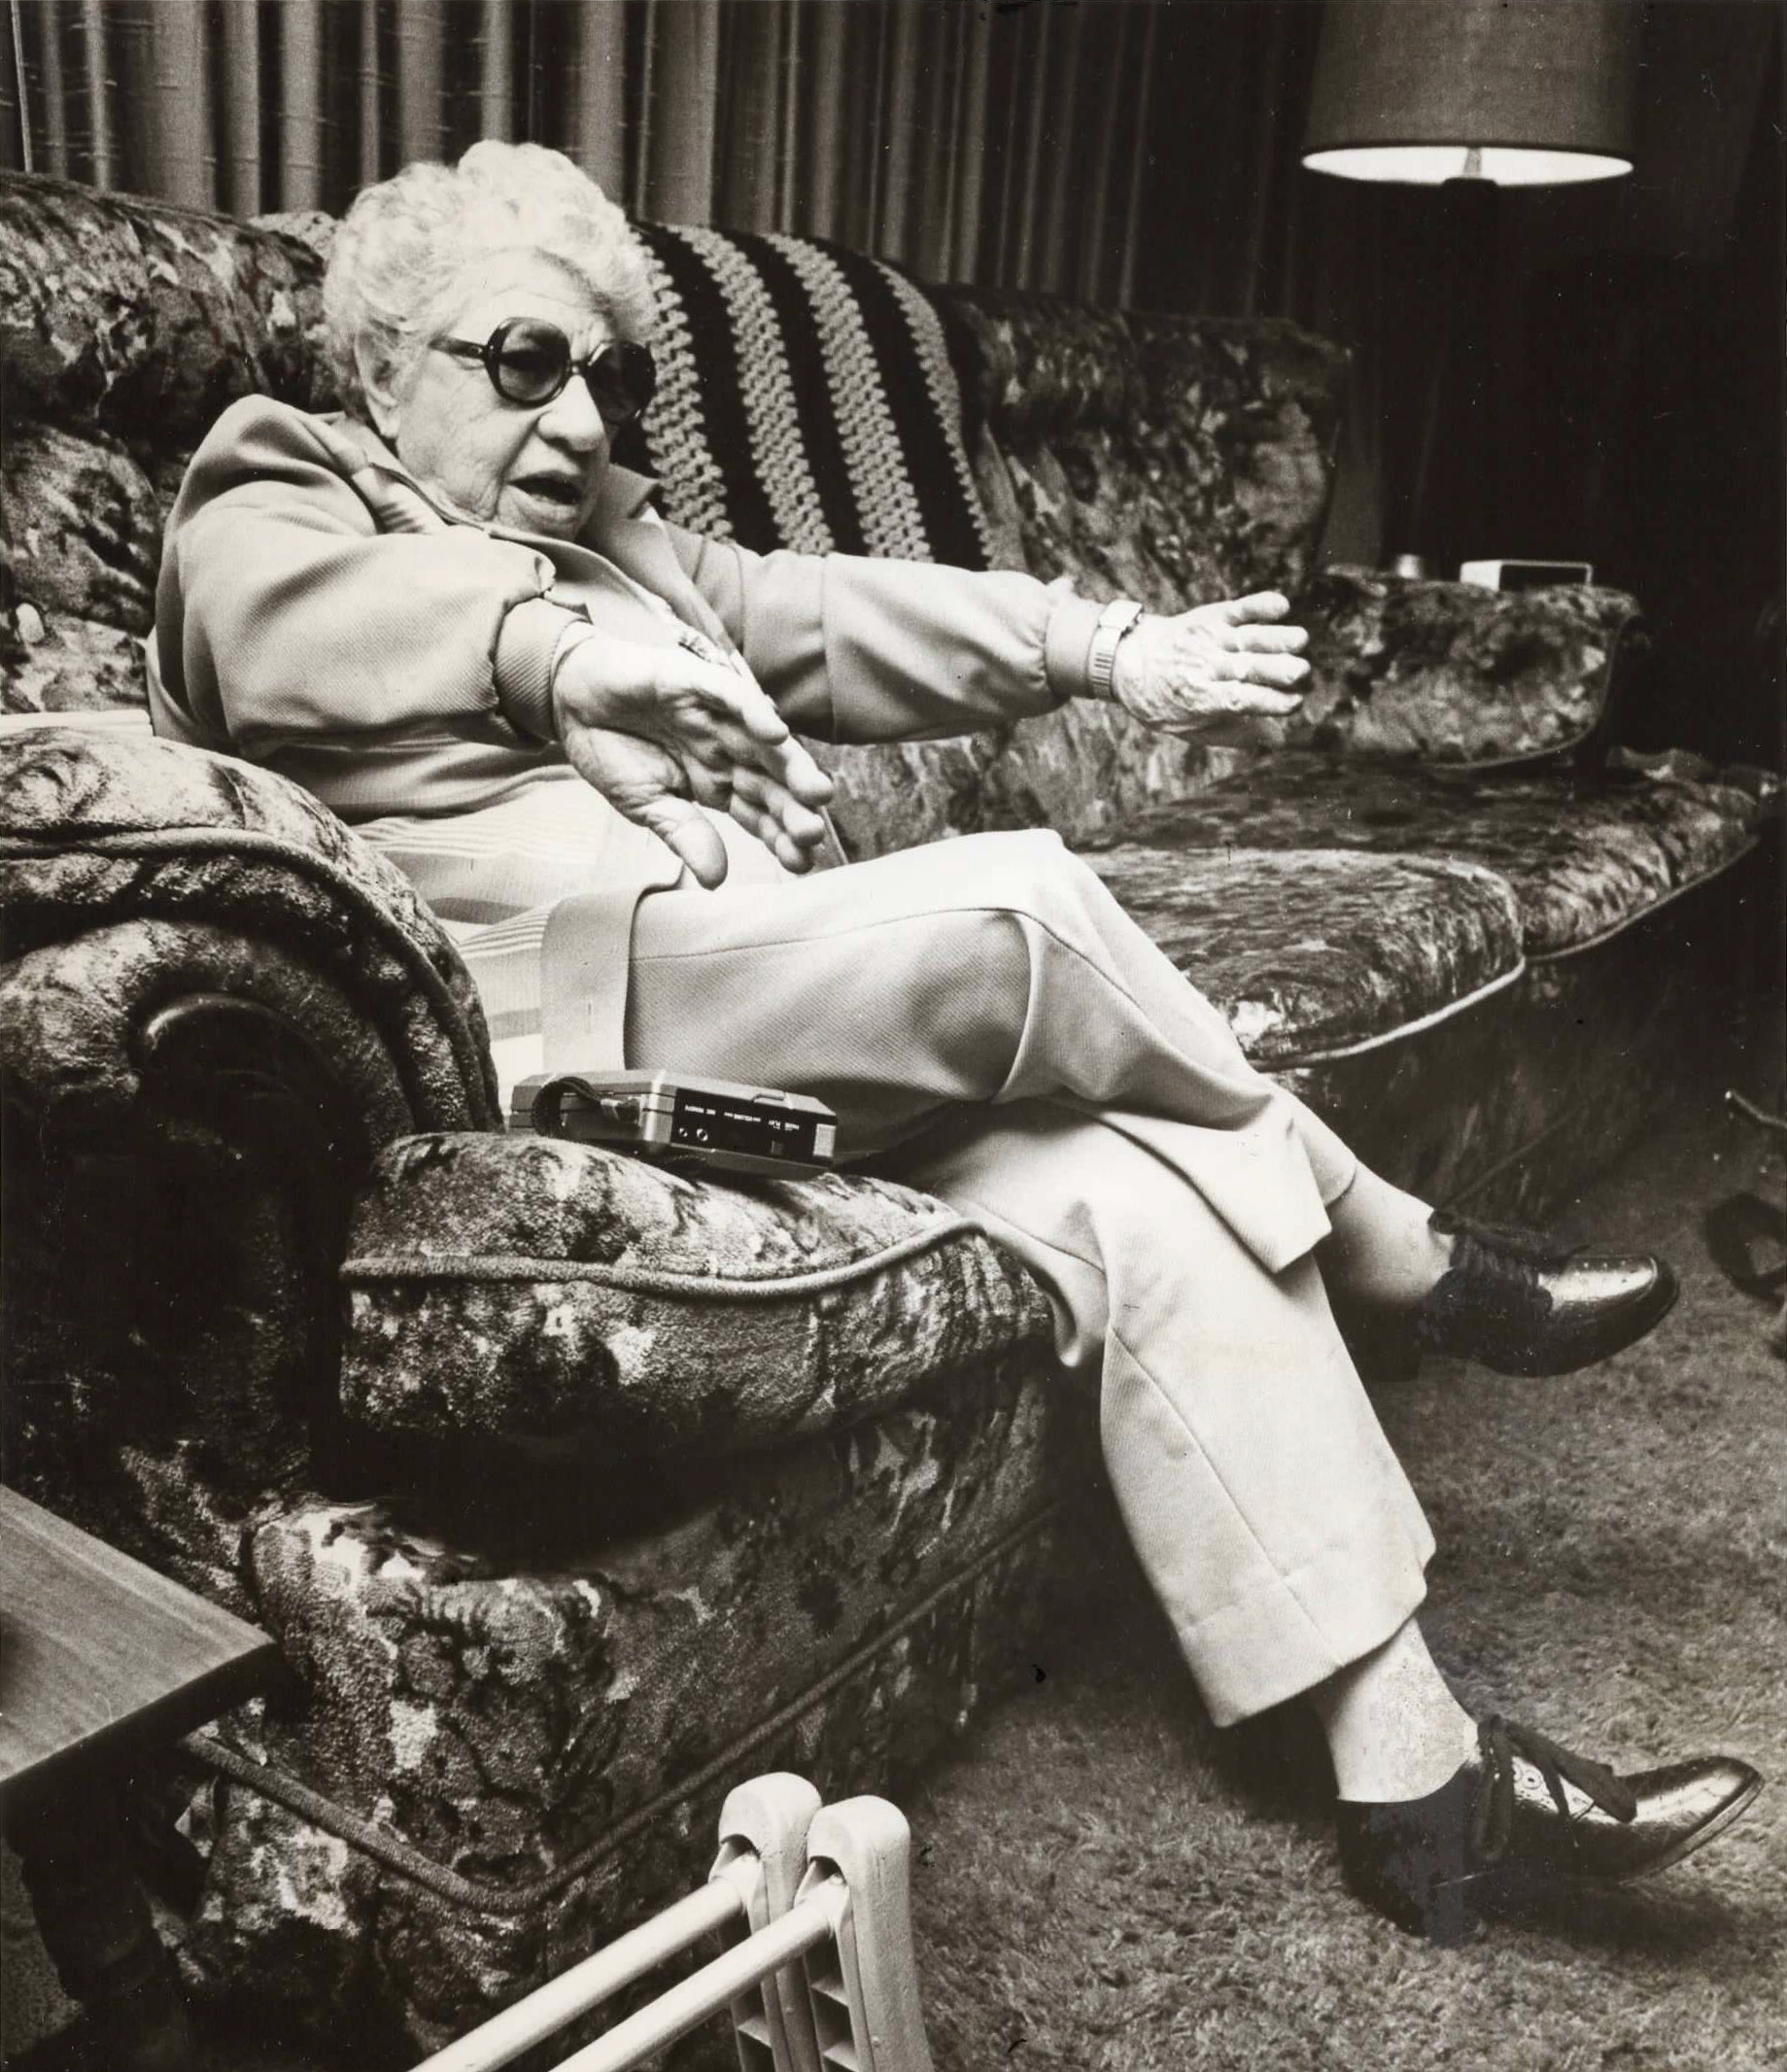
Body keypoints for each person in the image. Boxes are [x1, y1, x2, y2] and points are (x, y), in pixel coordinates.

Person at [148, 140, 1760, 1945]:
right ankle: (1396, 1240)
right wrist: (551, 660)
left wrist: (1106, 647)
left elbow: (837, 615)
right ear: (384, 366)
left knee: (1146, 1201)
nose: (579, 418)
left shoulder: (622, 543)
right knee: (1024, 908)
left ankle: (1418, 1777)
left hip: (737, 1041)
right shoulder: (284, 484)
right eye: (523, 362)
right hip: (555, 1032)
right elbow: (281, 636)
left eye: (608, 375)